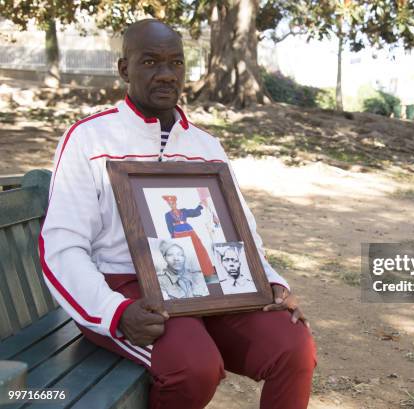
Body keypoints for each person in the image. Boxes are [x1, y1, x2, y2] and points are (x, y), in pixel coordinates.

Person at [39, 18, 315, 409]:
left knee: (293, 346)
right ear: (124, 69)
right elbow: (61, 245)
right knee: (195, 367)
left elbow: (241, 232)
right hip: (126, 291)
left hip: (208, 286)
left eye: (176, 63)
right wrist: (115, 312)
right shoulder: (89, 138)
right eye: (151, 63)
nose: (167, 75)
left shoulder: (206, 146)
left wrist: (269, 282)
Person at [162, 194, 216, 278]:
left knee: (199, 249)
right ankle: (188, 276)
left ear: (176, 203)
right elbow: (169, 227)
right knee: (184, 253)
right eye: (170, 204)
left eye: (173, 203)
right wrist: (173, 238)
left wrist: (200, 205)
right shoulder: (167, 215)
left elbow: (194, 213)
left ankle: (207, 271)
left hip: (190, 232)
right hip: (178, 234)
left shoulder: (184, 211)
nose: (172, 205)